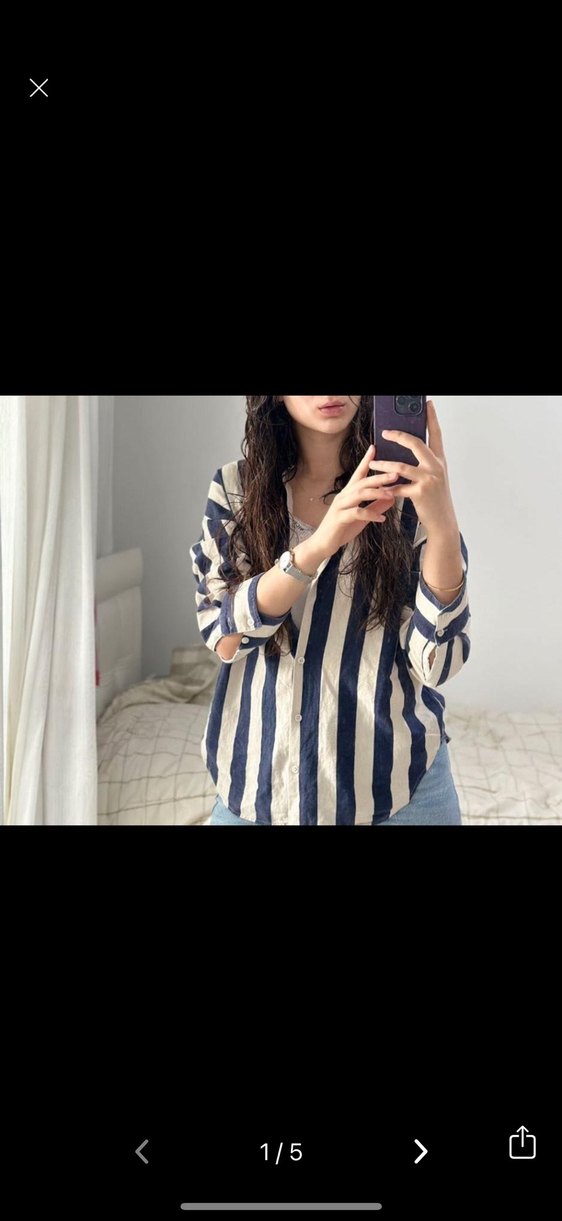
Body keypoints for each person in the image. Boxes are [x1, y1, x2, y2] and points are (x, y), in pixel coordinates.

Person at [189, 396, 470, 825]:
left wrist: (444, 525)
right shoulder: (236, 489)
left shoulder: (408, 492)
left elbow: (438, 663)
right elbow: (225, 636)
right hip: (257, 792)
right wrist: (321, 543)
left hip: (400, 795)